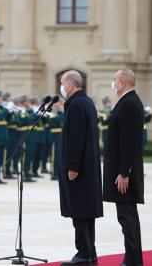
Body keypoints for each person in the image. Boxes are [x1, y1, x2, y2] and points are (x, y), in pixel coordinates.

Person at [58, 70, 103, 265]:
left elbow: (76, 138)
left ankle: (84, 254)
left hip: (79, 169)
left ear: (69, 85)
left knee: (79, 212)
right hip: (87, 167)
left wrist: (73, 166)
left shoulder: (76, 104)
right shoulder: (86, 102)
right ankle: (89, 253)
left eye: (62, 83)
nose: (60, 87)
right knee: (84, 212)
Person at [103, 69, 145, 266]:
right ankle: (132, 258)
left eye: (114, 79)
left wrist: (123, 173)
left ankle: (133, 261)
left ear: (122, 82)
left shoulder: (128, 103)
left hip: (124, 173)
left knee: (127, 218)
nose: (113, 83)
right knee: (127, 218)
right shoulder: (129, 101)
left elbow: (128, 142)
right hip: (123, 170)